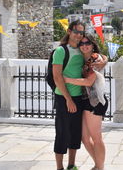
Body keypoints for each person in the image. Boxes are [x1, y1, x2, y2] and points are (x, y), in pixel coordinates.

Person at [64, 34, 109, 170]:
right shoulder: (81, 57)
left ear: (92, 44)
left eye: (87, 43)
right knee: (84, 138)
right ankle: (99, 165)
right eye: (81, 43)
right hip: (84, 100)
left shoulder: (95, 58)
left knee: (96, 138)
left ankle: (99, 167)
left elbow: (89, 81)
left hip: (95, 101)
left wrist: (65, 79)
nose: (84, 45)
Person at [52, 20, 87, 170]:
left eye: (81, 32)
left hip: (79, 97)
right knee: (62, 133)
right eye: (76, 32)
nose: (79, 35)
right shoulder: (61, 51)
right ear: (69, 32)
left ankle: (71, 165)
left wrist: (103, 60)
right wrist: (68, 99)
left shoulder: (82, 50)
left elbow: (96, 60)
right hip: (63, 98)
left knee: (75, 134)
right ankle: (59, 167)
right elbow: (57, 76)